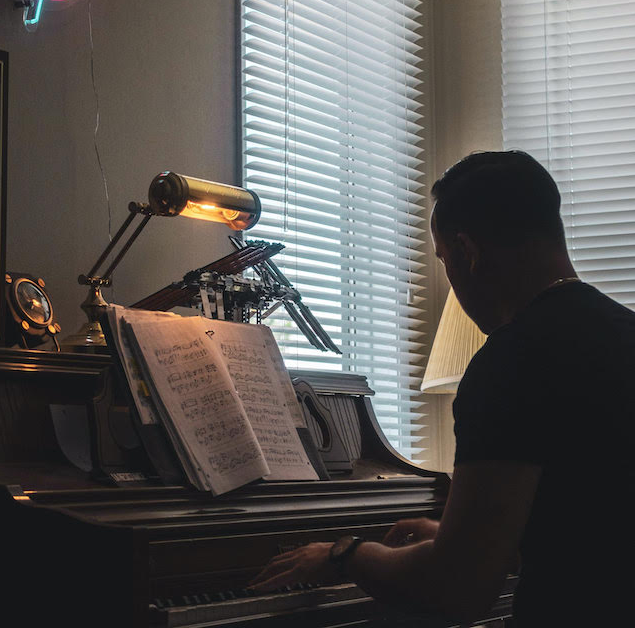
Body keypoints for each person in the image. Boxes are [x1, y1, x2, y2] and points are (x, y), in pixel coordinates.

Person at [249, 150, 635, 626]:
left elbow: (456, 589)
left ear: (468, 252)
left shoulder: (512, 362)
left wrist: (344, 553)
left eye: (445, 259)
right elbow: (592, 530)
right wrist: (460, 534)